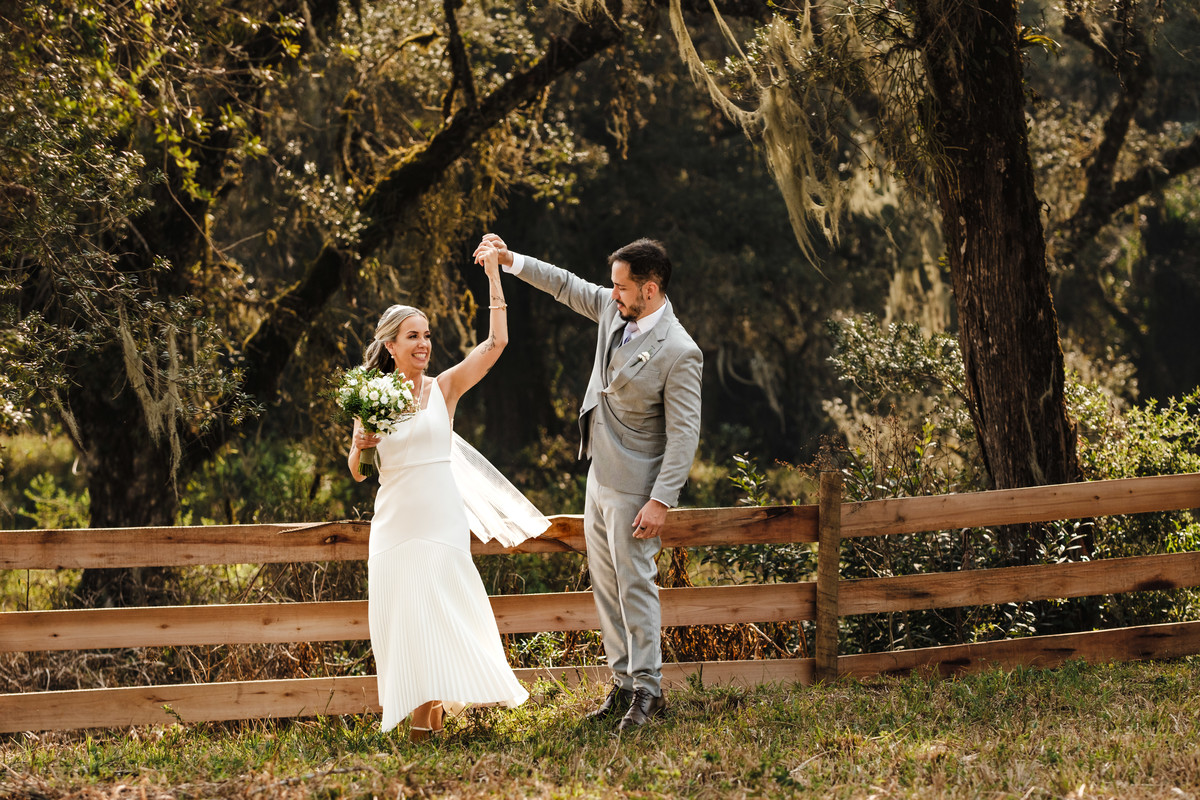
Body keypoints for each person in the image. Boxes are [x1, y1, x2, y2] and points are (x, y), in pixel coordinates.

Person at [474, 233, 703, 731]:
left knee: (635, 586)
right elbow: (564, 284)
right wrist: (511, 260)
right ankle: (622, 683)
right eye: (612, 285)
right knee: (605, 584)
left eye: (621, 287)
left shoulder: (680, 351)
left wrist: (661, 501)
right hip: (598, 477)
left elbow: (685, 435)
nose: (611, 293)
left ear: (649, 289)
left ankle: (649, 690)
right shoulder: (612, 310)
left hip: (637, 488)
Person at [348, 242, 536, 741]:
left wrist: (494, 277)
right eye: (413, 336)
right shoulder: (369, 397)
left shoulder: (444, 389)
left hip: (441, 522)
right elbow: (358, 472)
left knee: (435, 616)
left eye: (427, 335)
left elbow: (496, 343)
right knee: (408, 624)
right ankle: (426, 729)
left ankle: (421, 733)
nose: (424, 344)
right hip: (394, 525)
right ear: (391, 346)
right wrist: (362, 446)